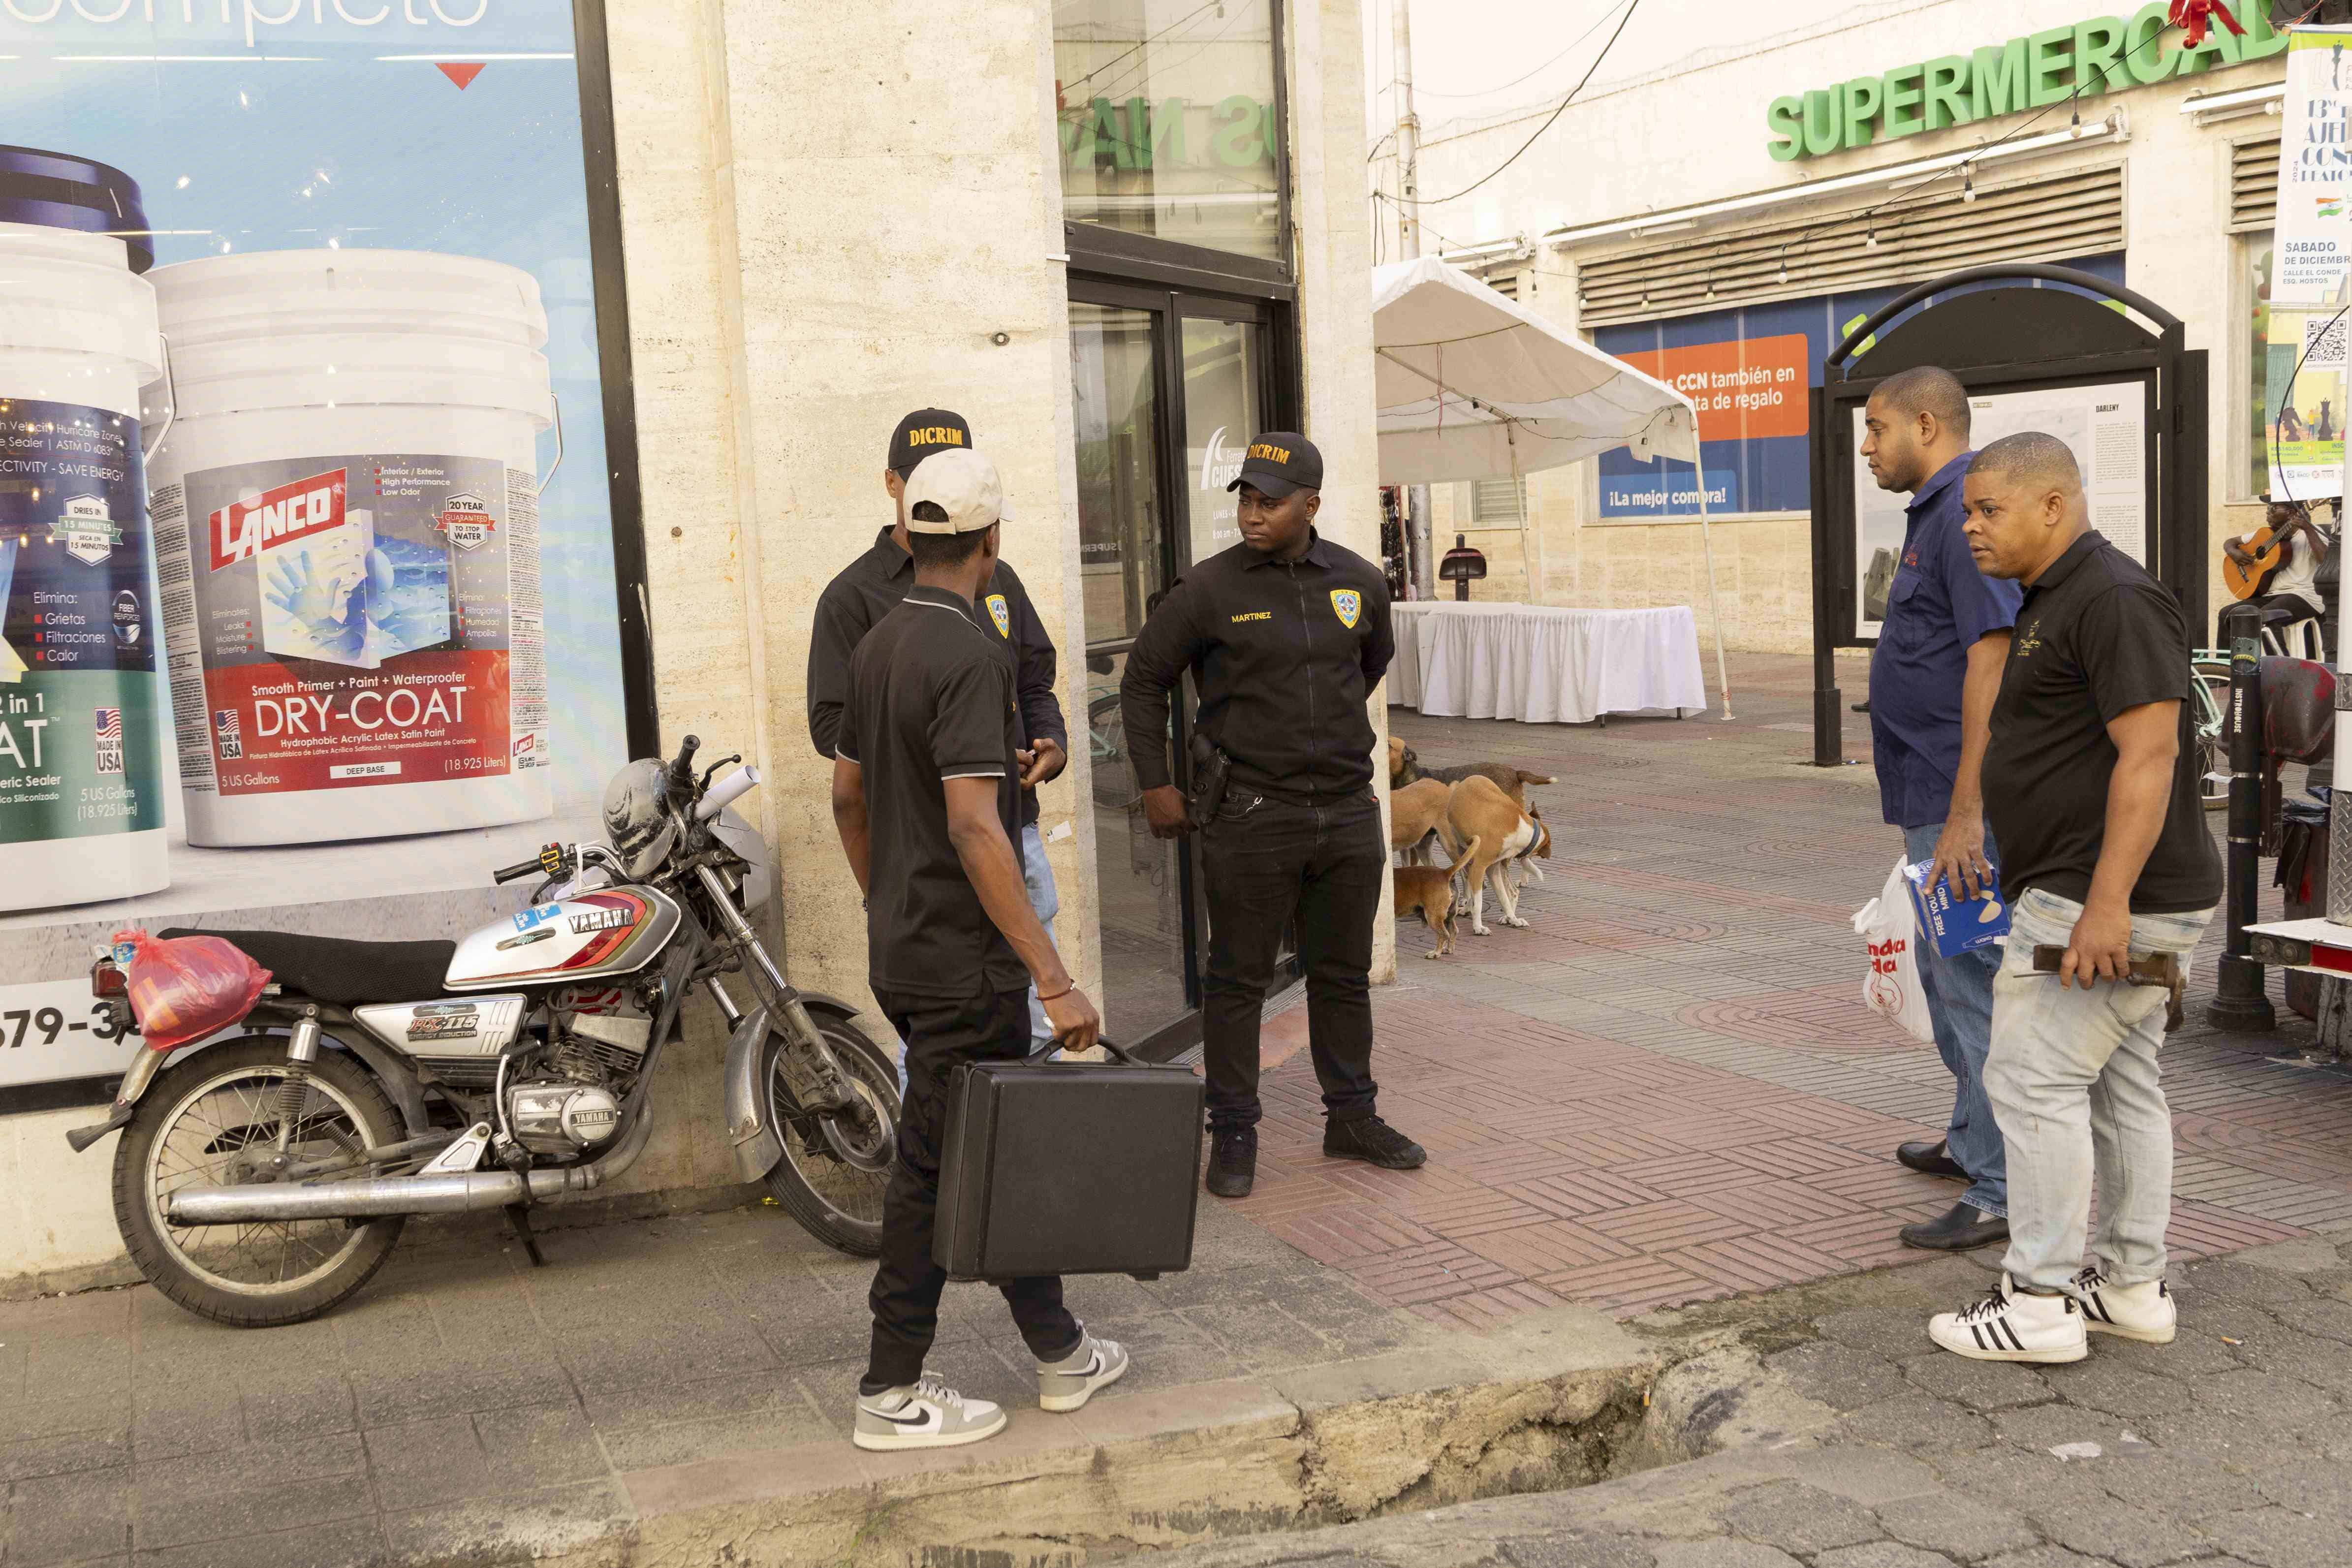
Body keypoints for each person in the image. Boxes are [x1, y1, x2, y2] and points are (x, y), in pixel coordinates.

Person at [829, 447, 1127, 1450]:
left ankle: (1060, 1351)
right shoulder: (968, 653)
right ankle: (889, 1390)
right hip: (963, 962)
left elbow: (848, 797)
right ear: (991, 543)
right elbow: (972, 825)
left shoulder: (877, 643)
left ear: (912, 536)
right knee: (933, 1166)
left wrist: (887, 904)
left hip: (906, 946)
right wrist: (1055, 977)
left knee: (978, 1150)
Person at [1926, 432, 2220, 1365]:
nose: (1969, 527)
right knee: (2122, 1085)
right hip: (2101, 888)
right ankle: (2128, 1287)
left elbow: (2152, 756)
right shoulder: (2057, 596)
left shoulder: (2113, 597)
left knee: (2031, 1081)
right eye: (1967, 511)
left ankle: (2038, 1299)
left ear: (2051, 505)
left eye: (1987, 510)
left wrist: (2104, 905)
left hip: (2098, 895)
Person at [1121, 431, 1425, 1199]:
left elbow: (1366, 666)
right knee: (1236, 981)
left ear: (1310, 506)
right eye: (1245, 500)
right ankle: (1232, 1132)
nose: (1252, 514)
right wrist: (1157, 783)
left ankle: (1350, 1117)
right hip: (1251, 814)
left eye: (1269, 502)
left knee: (1341, 975)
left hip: (1348, 814)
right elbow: (1143, 681)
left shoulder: (1358, 581)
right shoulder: (1207, 590)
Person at [809, 408, 1068, 1053]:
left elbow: (1033, 678)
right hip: (933, 850)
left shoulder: (997, 583)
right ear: (894, 485)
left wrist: (1048, 741)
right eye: (927, 473)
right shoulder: (852, 599)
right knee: (956, 1057)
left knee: (1016, 1039)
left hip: (1014, 832)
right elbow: (832, 731)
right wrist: (955, 748)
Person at [1858, 365, 2020, 1253]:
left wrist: (1965, 811)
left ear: (1926, 423)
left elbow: (1989, 661)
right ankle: (1971, 1141)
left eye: (1877, 428)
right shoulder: (1939, 512)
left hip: (1957, 803)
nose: (1865, 446)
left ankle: (1998, 1190)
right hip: (1928, 793)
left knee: (1969, 978)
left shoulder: (1967, 516)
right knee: (1942, 970)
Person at [2224, 498, 2331, 657]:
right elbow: (2230, 543)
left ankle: (2280, 669)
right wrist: (2234, 553)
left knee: (2265, 617)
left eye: (2274, 509)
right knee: (2228, 614)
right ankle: (2223, 670)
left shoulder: (2313, 533)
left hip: (2304, 595)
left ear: (2292, 513)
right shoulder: (2268, 534)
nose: (2268, 512)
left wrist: (2308, 529)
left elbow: (2326, 562)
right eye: (2268, 508)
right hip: (2274, 594)